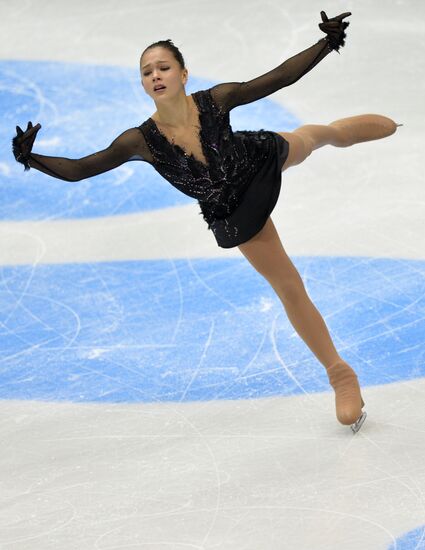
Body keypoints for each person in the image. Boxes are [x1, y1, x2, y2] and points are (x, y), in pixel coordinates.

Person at [12, 11, 402, 433]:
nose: (155, 75)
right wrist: (31, 158)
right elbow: (82, 168)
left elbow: (276, 78)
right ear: (143, 84)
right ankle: (340, 374)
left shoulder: (215, 100)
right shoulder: (139, 141)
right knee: (288, 285)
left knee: (312, 139)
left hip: (256, 162)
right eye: (147, 72)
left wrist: (326, 43)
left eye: (163, 67)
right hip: (234, 210)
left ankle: (338, 132)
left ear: (183, 73)